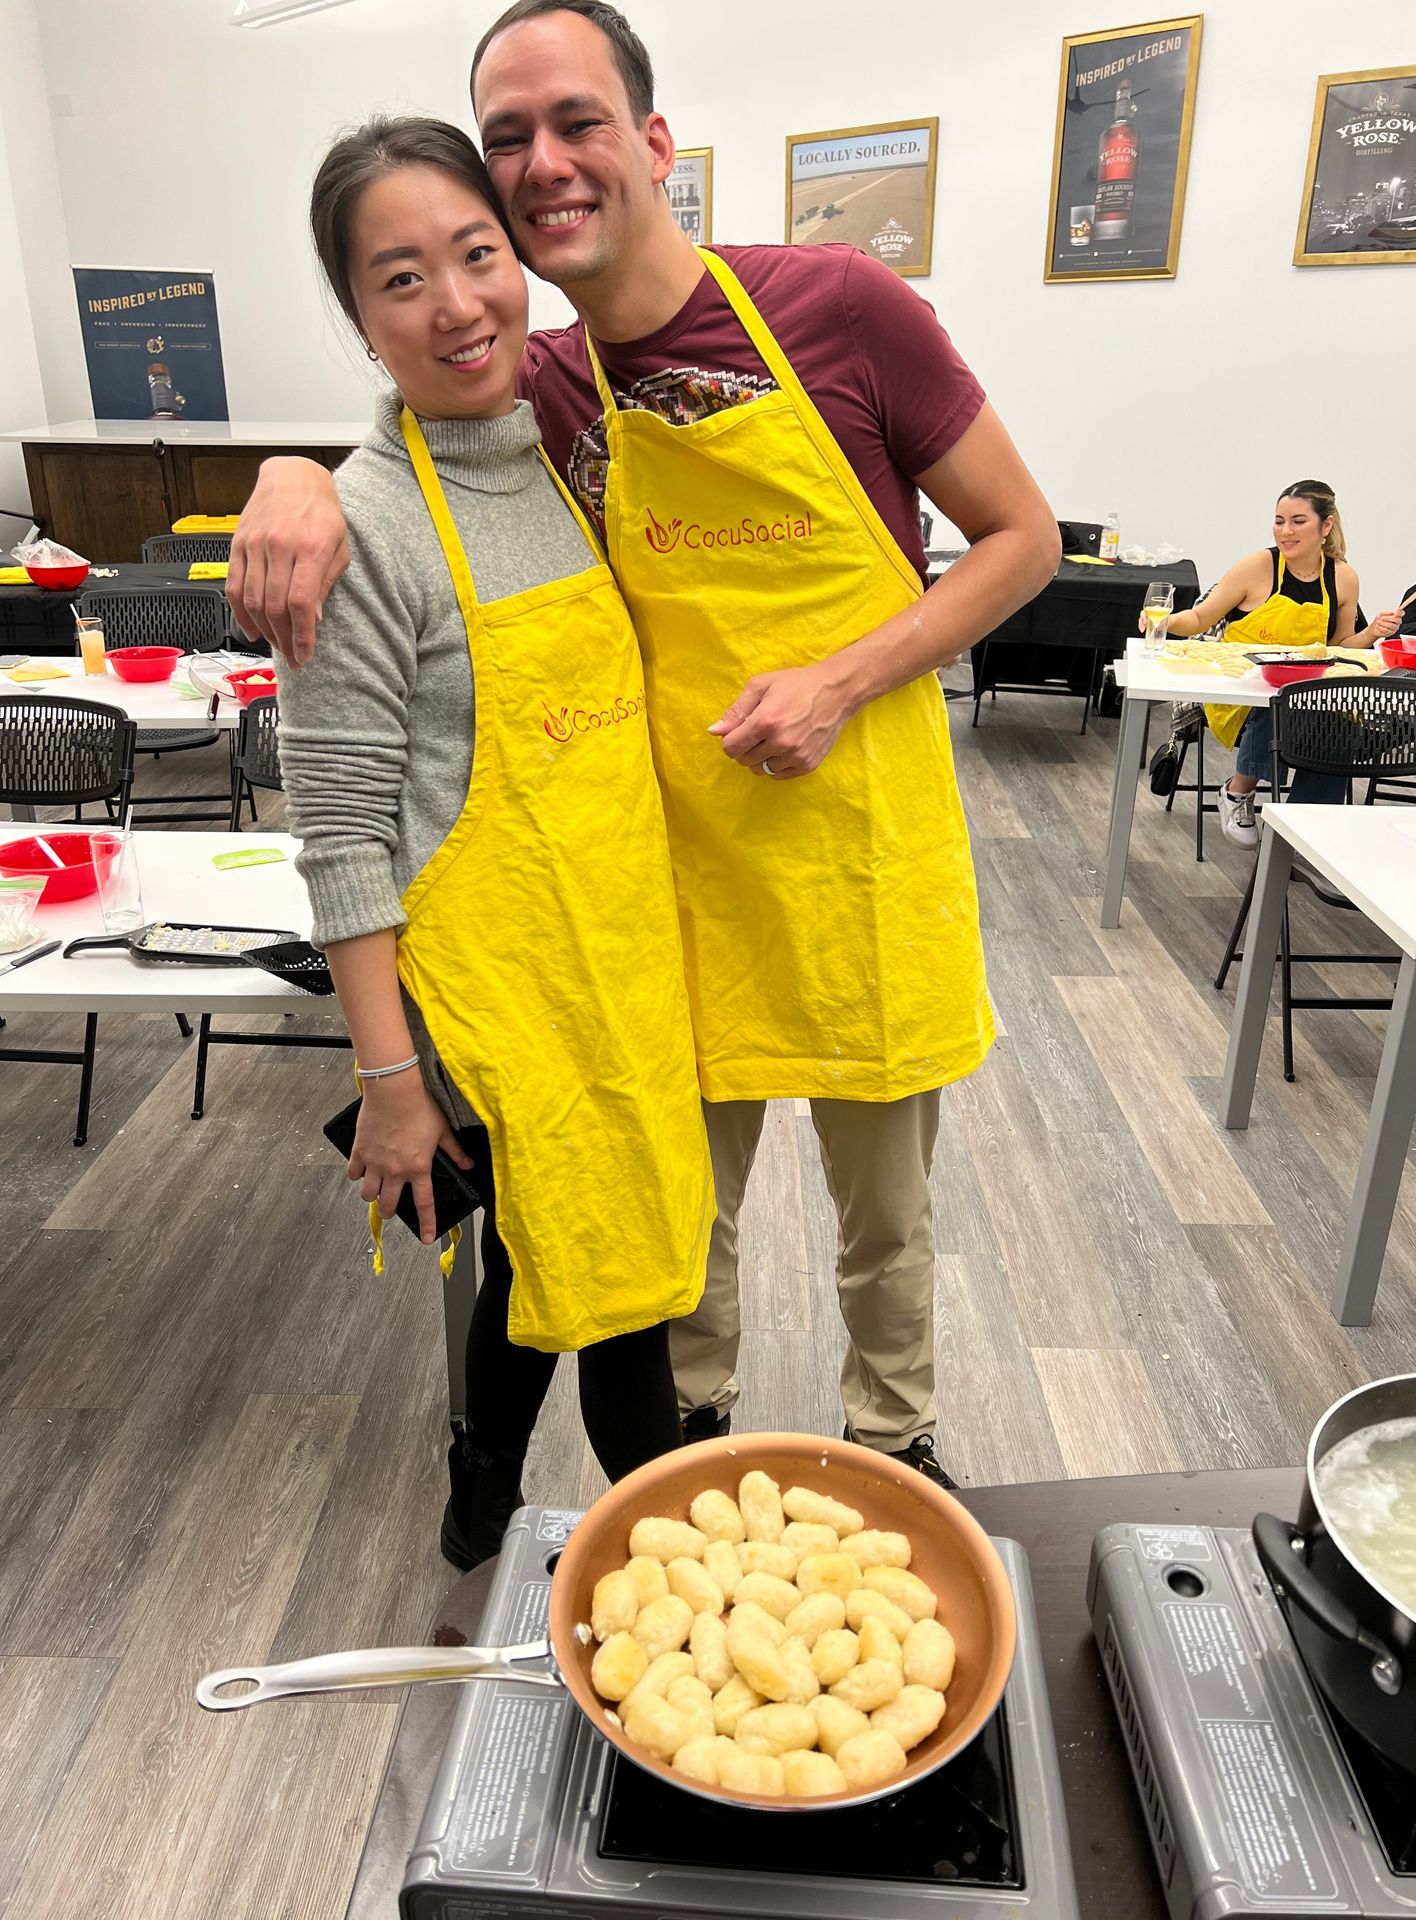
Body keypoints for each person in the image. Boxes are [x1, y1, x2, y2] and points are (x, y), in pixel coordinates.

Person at [228, 1, 1061, 1487]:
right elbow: (426, 417)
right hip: (675, 894)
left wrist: (841, 678)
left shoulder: (841, 306)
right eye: (510, 139)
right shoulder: (551, 393)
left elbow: (1024, 539)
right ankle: (691, 1467)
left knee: (889, 1225)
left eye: (576, 121)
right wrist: (293, 476)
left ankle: (898, 1455)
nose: (545, 161)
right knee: (688, 1223)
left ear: (654, 141)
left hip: (867, 863)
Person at [280, 114, 713, 1570]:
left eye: (477, 254)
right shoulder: (367, 523)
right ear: (357, 315)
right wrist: (393, 1084)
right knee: (623, 1288)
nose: (457, 302)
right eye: (402, 280)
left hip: (625, 957)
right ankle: (681, 1562)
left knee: (555, 1247)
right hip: (500, 984)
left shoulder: (574, 445)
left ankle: (478, 1478)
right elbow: (337, 828)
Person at [1158, 480, 1402, 848]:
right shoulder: (1258, 565)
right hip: (1239, 687)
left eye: (1298, 521)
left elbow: (1337, 647)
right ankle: (1238, 792)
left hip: (1300, 690)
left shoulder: (1343, 577)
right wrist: (1165, 621)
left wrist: (1371, 633)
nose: (1285, 531)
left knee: (1333, 720)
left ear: (1326, 526)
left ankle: (1303, 830)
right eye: (1279, 521)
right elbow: (1199, 619)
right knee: (1282, 702)